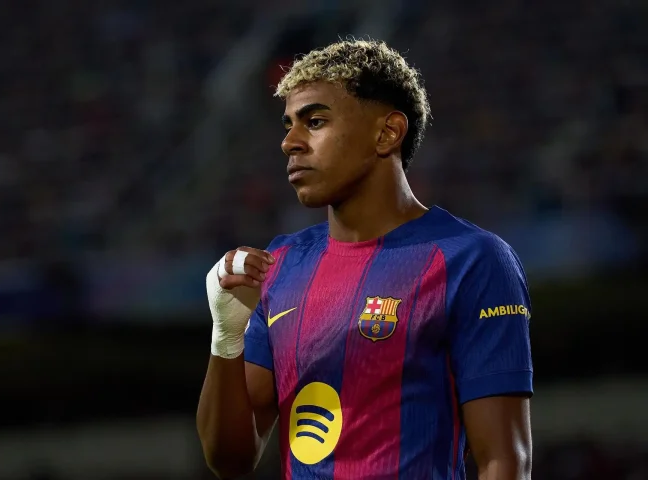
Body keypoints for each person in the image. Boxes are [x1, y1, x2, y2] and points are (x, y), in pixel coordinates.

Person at [196, 39, 532, 480]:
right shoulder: (279, 266)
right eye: (288, 125)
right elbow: (229, 460)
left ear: (387, 133)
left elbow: (503, 461)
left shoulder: (472, 260)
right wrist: (226, 338)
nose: (290, 143)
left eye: (315, 121)